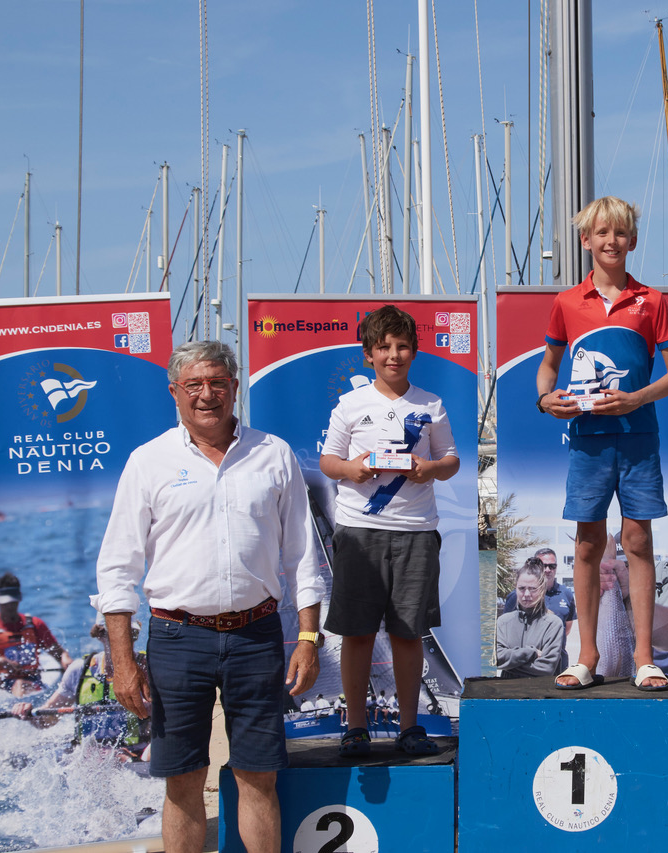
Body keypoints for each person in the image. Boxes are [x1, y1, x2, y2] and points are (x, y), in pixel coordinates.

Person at [92, 340, 325, 853]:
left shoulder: (274, 454)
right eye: (194, 384)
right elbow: (116, 569)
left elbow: (304, 557)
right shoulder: (147, 461)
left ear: (234, 388)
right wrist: (122, 659)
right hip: (177, 640)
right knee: (183, 781)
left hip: (258, 637)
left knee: (259, 777)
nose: (207, 395)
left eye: (217, 383)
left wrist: (308, 637)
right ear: (174, 392)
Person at [536, 196, 668, 691]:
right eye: (601, 233)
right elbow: (548, 367)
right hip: (587, 442)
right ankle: (586, 656)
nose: (610, 241)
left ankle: (645, 657)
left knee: (639, 540)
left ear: (633, 241)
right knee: (587, 545)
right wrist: (545, 399)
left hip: (638, 438)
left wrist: (635, 399)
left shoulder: (653, 302)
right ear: (586, 241)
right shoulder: (566, 303)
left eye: (620, 233)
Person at [319, 305, 460, 757]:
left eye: (402, 347)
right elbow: (328, 461)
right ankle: (356, 727)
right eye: (383, 348)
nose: (393, 355)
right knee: (357, 633)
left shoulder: (431, 404)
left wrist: (430, 468)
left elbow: (452, 460)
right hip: (359, 532)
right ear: (368, 355)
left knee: (407, 631)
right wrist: (353, 469)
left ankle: (409, 727)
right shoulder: (350, 405)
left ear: (414, 352)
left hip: (417, 531)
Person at [13, 615, 149, 762]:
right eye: (116, 635)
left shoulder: (148, 668)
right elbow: (47, 720)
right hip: (88, 755)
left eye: (130, 635)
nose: (125, 642)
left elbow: (171, 718)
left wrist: (154, 708)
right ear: (101, 635)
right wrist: (28, 713)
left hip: (135, 754)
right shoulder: (79, 670)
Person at [0, 573, 73, 697]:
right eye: (5, 603)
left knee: (19, 684)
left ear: (20, 598)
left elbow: (60, 653)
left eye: (13, 602)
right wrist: (1, 661)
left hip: (31, 681)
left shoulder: (35, 625)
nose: (10, 606)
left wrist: (66, 660)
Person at [494, 559, 566, 679]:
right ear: (515, 588)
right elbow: (496, 659)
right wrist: (531, 653)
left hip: (540, 695)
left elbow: (546, 668)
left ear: (542, 589)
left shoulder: (553, 624)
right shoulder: (503, 622)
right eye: (521, 588)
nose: (526, 594)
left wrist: (509, 664)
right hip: (507, 694)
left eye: (532, 589)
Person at [501, 548, 576, 642]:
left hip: (559, 655)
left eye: (552, 566)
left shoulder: (566, 594)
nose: (548, 570)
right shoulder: (518, 596)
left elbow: (567, 629)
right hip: (529, 654)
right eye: (544, 566)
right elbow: (506, 629)